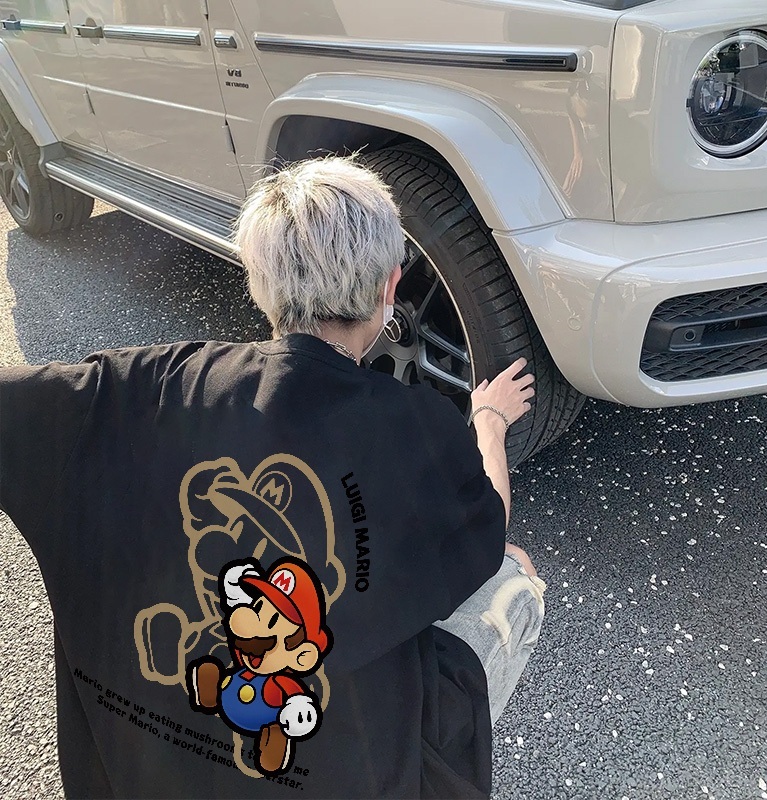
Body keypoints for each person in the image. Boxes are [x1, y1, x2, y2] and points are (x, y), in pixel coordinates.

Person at [0, 156, 545, 799]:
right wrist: (488, 422)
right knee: (511, 573)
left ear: (258, 280)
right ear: (390, 286)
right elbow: (485, 529)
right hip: (363, 783)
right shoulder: (419, 426)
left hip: (127, 778)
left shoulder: (131, 388)